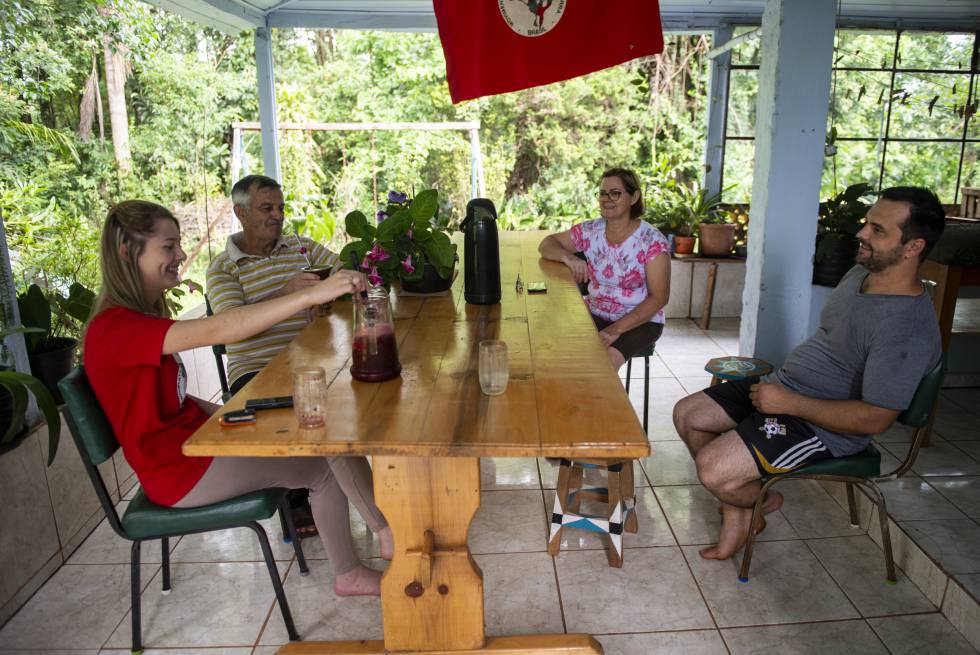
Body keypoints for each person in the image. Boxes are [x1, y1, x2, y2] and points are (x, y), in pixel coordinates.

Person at [84, 200, 393, 597]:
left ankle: (371, 546)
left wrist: (235, 414)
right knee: (321, 453)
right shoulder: (115, 328)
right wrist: (307, 297)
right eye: (168, 247)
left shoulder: (136, 317)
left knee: (318, 422)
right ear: (128, 252)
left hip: (193, 446)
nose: (180, 255)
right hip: (177, 471)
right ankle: (379, 544)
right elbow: (225, 328)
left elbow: (170, 402)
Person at [672, 186, 945, 560]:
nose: (862, 234)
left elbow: (876, 419)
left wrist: (790, 403)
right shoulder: (859, 273)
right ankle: (744, 508)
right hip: (783, 390)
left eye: (878, 231)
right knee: (689, 415)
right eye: (867, 223)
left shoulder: (906, 328)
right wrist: (782, 393)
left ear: (913, 248)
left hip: (820, 426)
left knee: (715, 471)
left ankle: (754, 501)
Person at [207, 175, 338, 395]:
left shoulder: (302, 246)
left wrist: (325, 297)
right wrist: (290, 293)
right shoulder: (223, 267)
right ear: (241, 213)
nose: (278, 215)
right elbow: (231, 326)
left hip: (316, 357)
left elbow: (343, 268)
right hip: (257, 370)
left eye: (281, 208)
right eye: (267, 208)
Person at [538, 167, 670, 369]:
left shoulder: (651, 241)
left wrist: (616, 329)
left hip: (639, 321)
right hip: (596, 311)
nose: (606, 199)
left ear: (634, 197)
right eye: (602, 193)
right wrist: (569, 258)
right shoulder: (591, 230)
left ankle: (607, 401)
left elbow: (659, 298)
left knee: (604, 363)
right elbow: (547, 244)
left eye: (615, 193)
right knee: (554, 347)